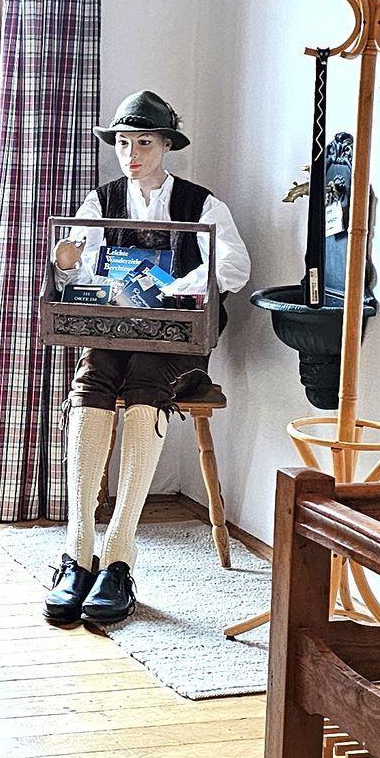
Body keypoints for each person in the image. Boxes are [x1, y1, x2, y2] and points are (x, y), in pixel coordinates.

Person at [42, 91, 249, 628]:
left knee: (144, 386)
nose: (131, 154)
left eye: (144, 143)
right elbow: (77, 265)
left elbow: (234, 265)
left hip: (177, 337)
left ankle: (118, 555)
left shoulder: (203, 204)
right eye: (123, 143)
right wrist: (67, 262)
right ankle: (77, 552)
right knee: (92, 381)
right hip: (114, 330)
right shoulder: (100, 200)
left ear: (166, 146)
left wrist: (176, 288)